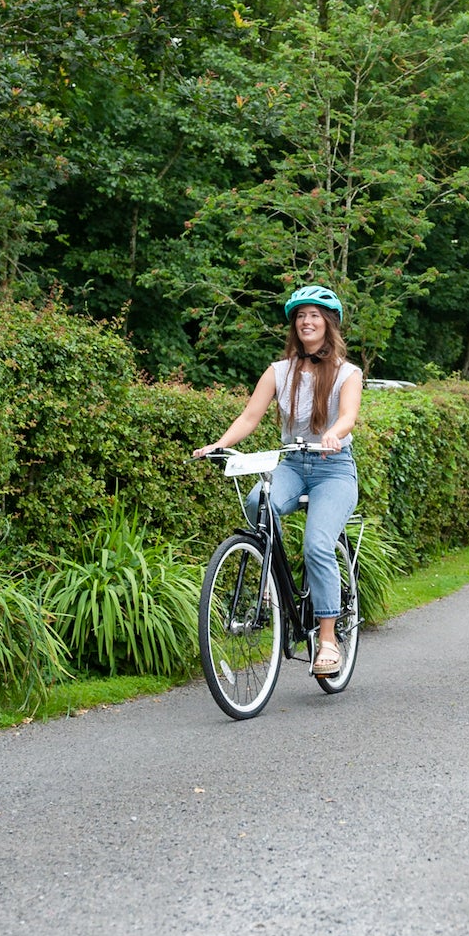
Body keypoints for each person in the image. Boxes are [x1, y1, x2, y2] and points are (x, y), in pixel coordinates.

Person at [194, 285, 363, 677]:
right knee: (257, 502)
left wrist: (335, 433)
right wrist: (219, 444)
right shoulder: (279, 371)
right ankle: (276, 569)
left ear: (328, 324)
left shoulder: (346, 373)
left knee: (318, 543)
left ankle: (327, 640)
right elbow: (249, 417)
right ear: (294, 324)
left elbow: (349, 415)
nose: (307, 321)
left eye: (315, 316)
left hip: (334, 468)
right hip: (291, 463)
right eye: (301, 316)